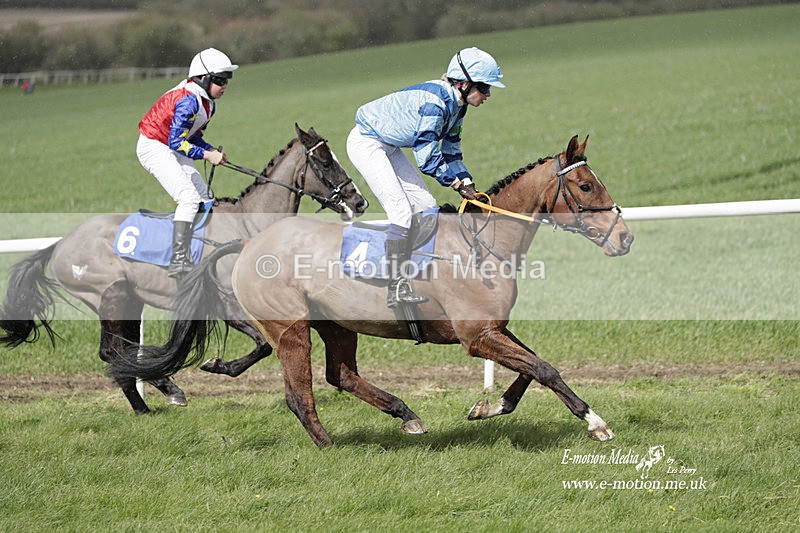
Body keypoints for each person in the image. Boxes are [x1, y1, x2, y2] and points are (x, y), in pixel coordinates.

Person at [346, 46, 505, 308]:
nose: (488, 94)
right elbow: (427, 159)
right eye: (485, 88)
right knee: (401, 210)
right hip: (366, 142)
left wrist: (467, 182)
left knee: (426, 207)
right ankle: (395, 287)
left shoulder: (458, 107)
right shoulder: (434, 105)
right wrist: (455, 184)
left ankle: (418, 273)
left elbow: (451, 151)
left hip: (390, 145)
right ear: (464, 84)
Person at [137, 47, 238, 277]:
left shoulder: (207, 102)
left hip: (171, 144)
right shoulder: (188, 101)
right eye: (220, 80)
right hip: (154, 146)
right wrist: (206, 155)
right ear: (203, 79)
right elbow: (176, 142)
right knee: (189, 198)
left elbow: (191, 136)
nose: (225, 86)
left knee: (206, 197)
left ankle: (202, 247)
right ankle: (179, 259)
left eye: (227, 81)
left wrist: (210, 148)